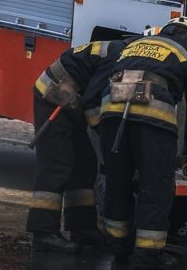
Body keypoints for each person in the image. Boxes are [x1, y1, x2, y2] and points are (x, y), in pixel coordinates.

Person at [96, 18, 187, 270]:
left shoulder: (134, 45)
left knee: (118, 181)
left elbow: (100, 79)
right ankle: (147, 256)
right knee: (155, 185)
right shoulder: (186, 53)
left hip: (112, 113)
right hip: (153, 119)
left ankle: (118, 247)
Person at [27, 38, 126, 253]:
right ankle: (43, 233)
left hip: (70, 101)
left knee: (84, 163)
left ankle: (82, 228)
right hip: (54, 97)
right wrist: (103, 133)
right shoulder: (119, 56)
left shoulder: (123, 51)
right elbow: (92, 100)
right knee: (57, 164)